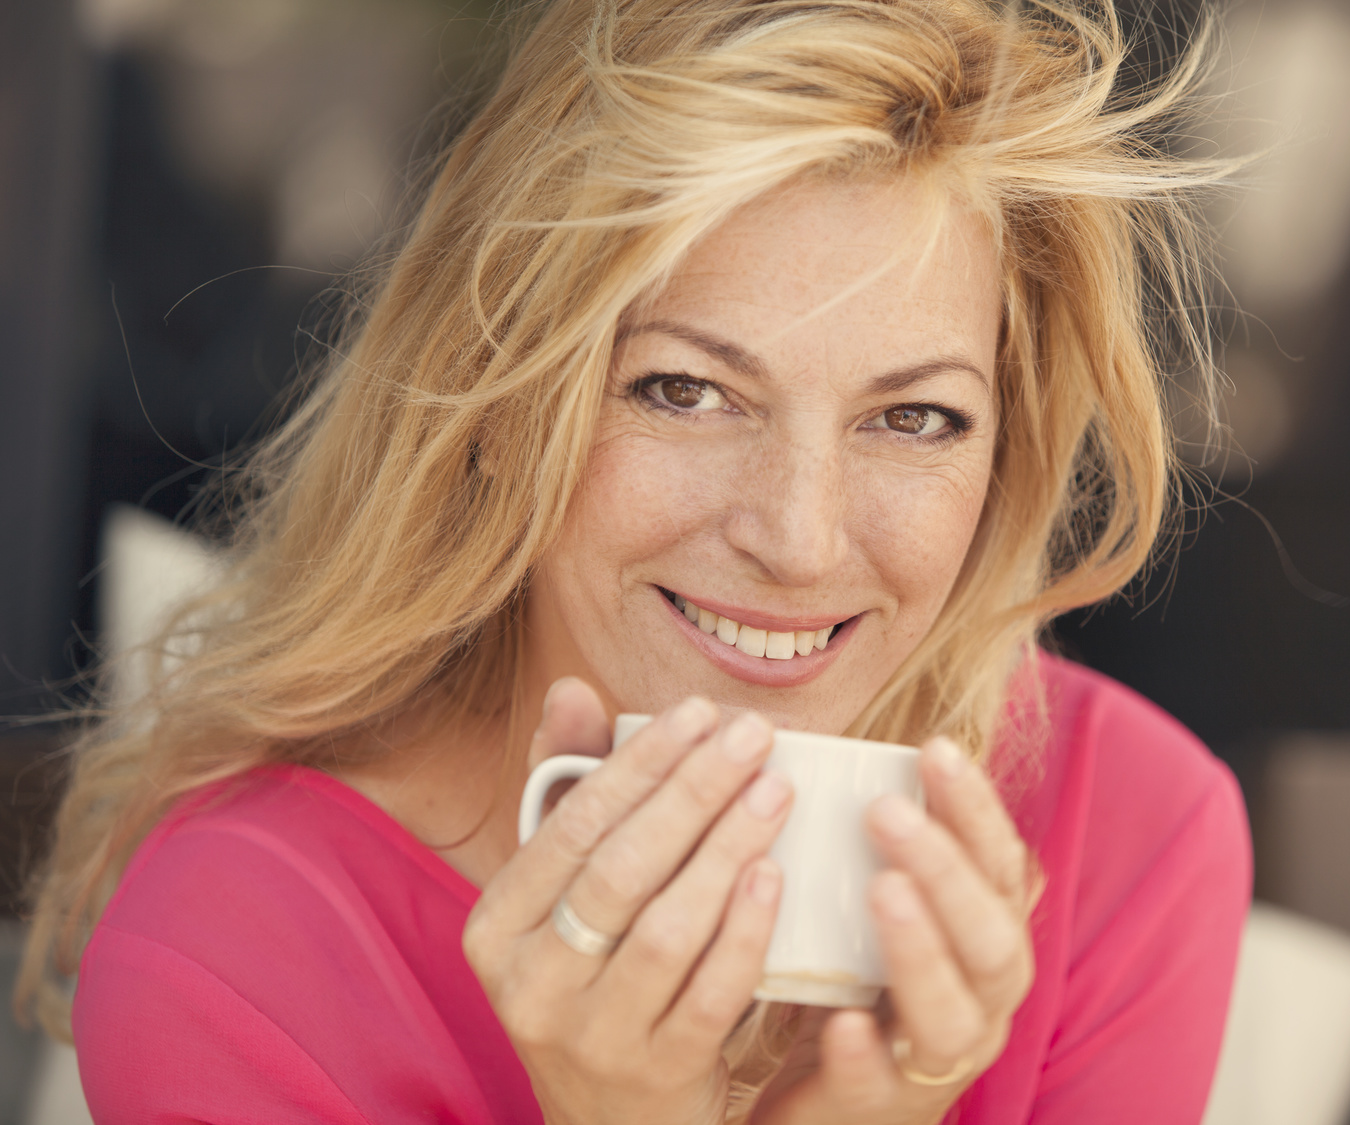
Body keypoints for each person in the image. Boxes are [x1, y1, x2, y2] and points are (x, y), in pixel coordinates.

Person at [16, 0, 1251, 1121]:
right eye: (685, 391)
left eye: (914, 417)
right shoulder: (236, 954)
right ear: (496, 406)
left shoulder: (1122, 835)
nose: (798, 537)